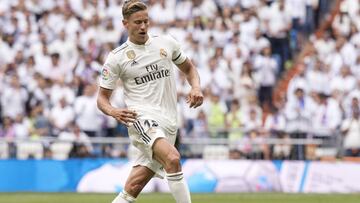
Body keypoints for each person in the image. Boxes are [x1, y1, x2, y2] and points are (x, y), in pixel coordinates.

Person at [96, 1, 203, 203]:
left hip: (169, 122)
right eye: (137, 22)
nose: (143, 27)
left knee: (133, 187)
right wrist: (113, 111)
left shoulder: (166, 43)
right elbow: (102, 98)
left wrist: (195, 87)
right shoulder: (116, 58)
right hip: (141, 118)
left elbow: (189, 69)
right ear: (125, 23)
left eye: (146, 21)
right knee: (173, 158)